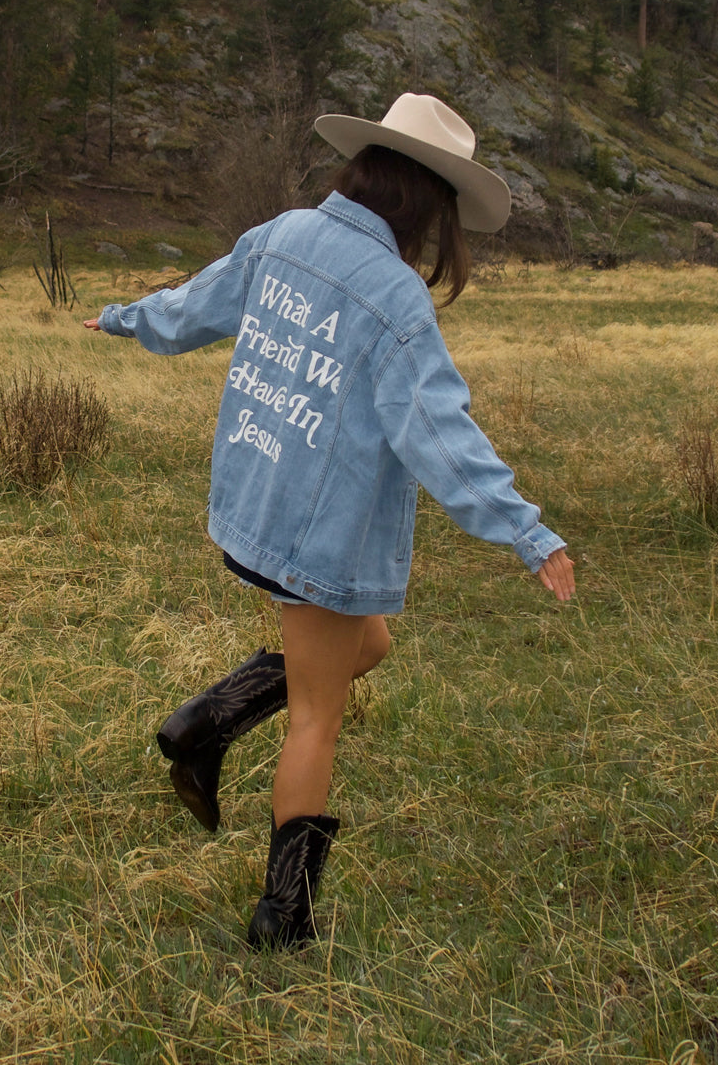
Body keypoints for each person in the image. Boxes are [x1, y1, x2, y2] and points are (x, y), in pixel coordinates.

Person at [84, 92, 576, 950]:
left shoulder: (283, 235)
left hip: (257, 510)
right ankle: (284, 918)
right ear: (427, 201)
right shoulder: (394, 297)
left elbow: (195, 304)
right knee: (319, 712)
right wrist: (527, 531)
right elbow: (441, 433)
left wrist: (128, 318)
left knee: (367, 645)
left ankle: (209, 722)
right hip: (315, 538)